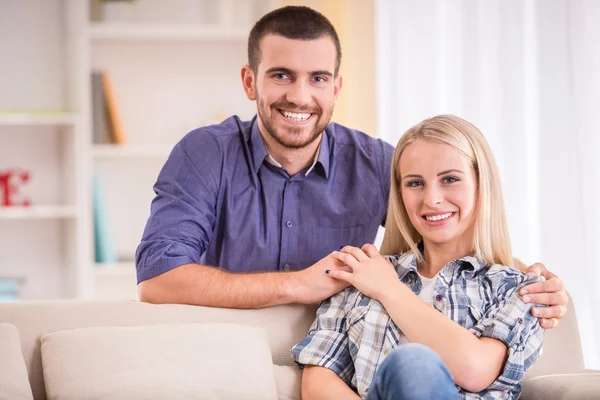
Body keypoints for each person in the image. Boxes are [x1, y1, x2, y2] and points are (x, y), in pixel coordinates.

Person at [135, 6, 568, 329]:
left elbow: (444, 237)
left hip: (344, 344)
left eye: (318, 78)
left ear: (336, 86)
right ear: (250, 81)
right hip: (229, 344)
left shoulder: (378, 162)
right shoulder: (204, 153)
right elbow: (157, 280)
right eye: (282, 75)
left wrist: (526, 277)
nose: (301, 96)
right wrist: (295, 285)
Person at [293, 115, 547, 399]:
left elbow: (476, 369)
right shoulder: (360, 274)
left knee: (414, 364)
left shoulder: (519, 289)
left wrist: (389, 290)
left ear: (481, 184)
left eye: (450, 179)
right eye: (415, 183)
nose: (432, 199)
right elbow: (318, 382)